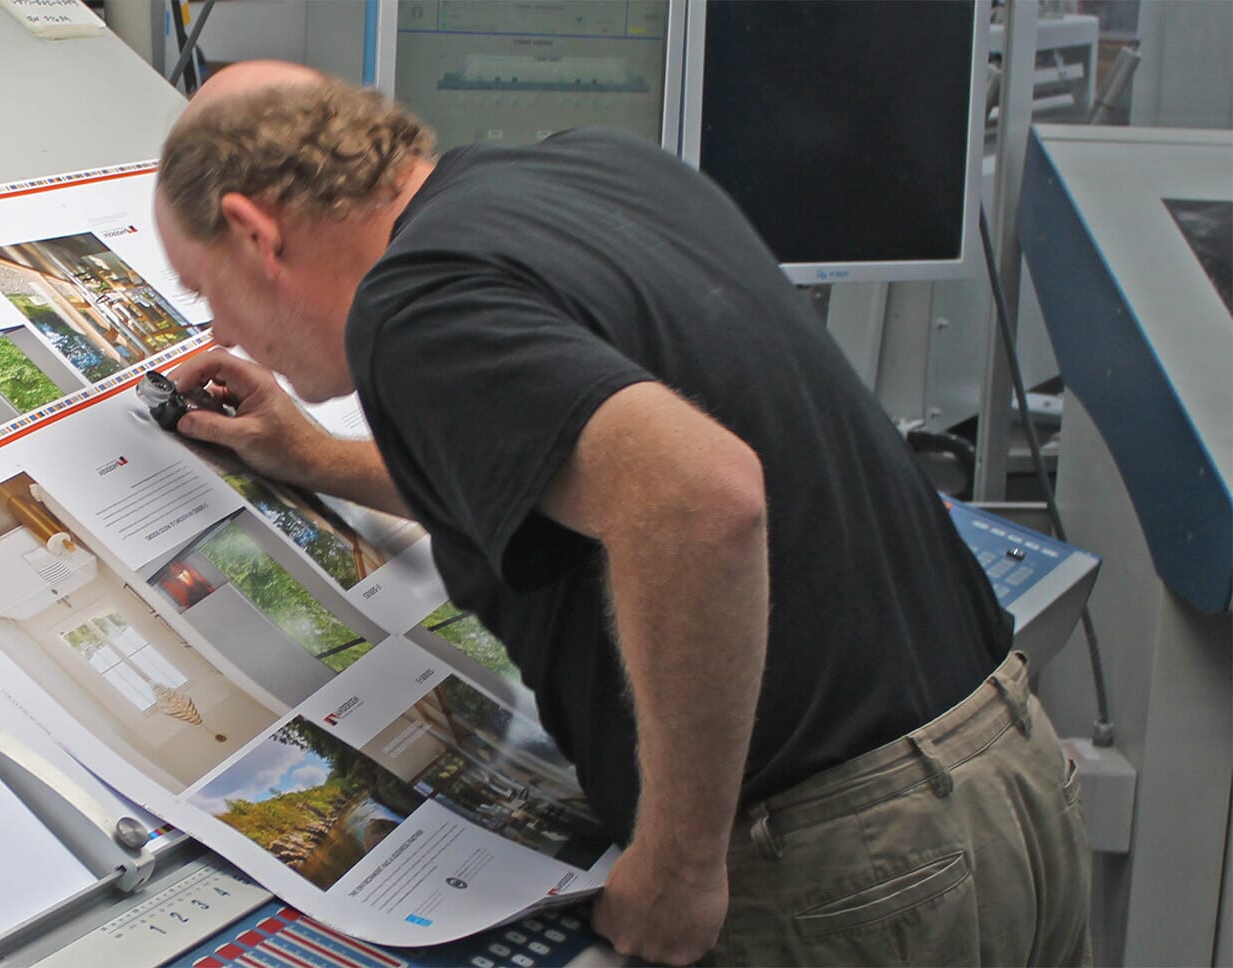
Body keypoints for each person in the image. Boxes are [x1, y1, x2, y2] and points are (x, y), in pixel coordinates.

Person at [154, 61, 1090, 965]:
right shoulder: (584, 170)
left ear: (254, 232)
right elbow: (562, 459)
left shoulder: (411, 309)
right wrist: (312, 459)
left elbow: (698, 500)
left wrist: (680, 862)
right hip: (1004, 779)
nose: (222, 332)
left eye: (204, 290)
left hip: (845, 870)